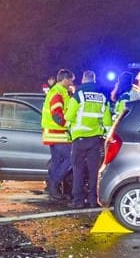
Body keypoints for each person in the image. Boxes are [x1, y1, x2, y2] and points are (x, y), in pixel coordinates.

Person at [65, 70, 112, 208]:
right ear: (94, 80)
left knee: (78, 170)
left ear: (84, 80)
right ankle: (93, 200)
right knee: (93, 171)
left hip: (79, 139)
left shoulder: (78, 95)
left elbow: (68, 116)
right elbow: (107, 121)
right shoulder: (102, 97)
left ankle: (78, 201)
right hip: (95, 140)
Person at [40, 69, 74, 200]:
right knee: (71, 159)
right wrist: (68, 125)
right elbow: (57, 116)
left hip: (53, 133)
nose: (71, 82)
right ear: (64, 79)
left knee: (56, 162)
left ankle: (53, 188)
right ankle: (53, 184)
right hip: (57, 133)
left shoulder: (59, 92)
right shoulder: (57, 93)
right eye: (70, 80)